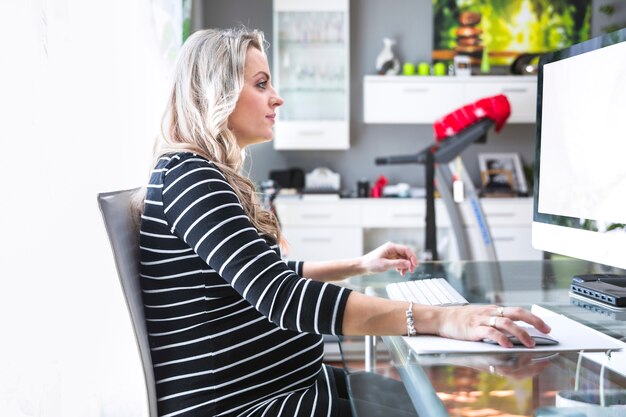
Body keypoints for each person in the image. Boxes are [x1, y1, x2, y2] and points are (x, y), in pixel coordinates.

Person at [136, 27, 550, 417]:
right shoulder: (190, 177)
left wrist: (358, 265)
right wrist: (442, 318)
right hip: (247, 405)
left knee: (427, 399)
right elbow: (281, 295)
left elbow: (265, 274)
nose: (276, 98)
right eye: (261, 84)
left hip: (286, 385)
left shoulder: (197, 174)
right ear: (216, 93)